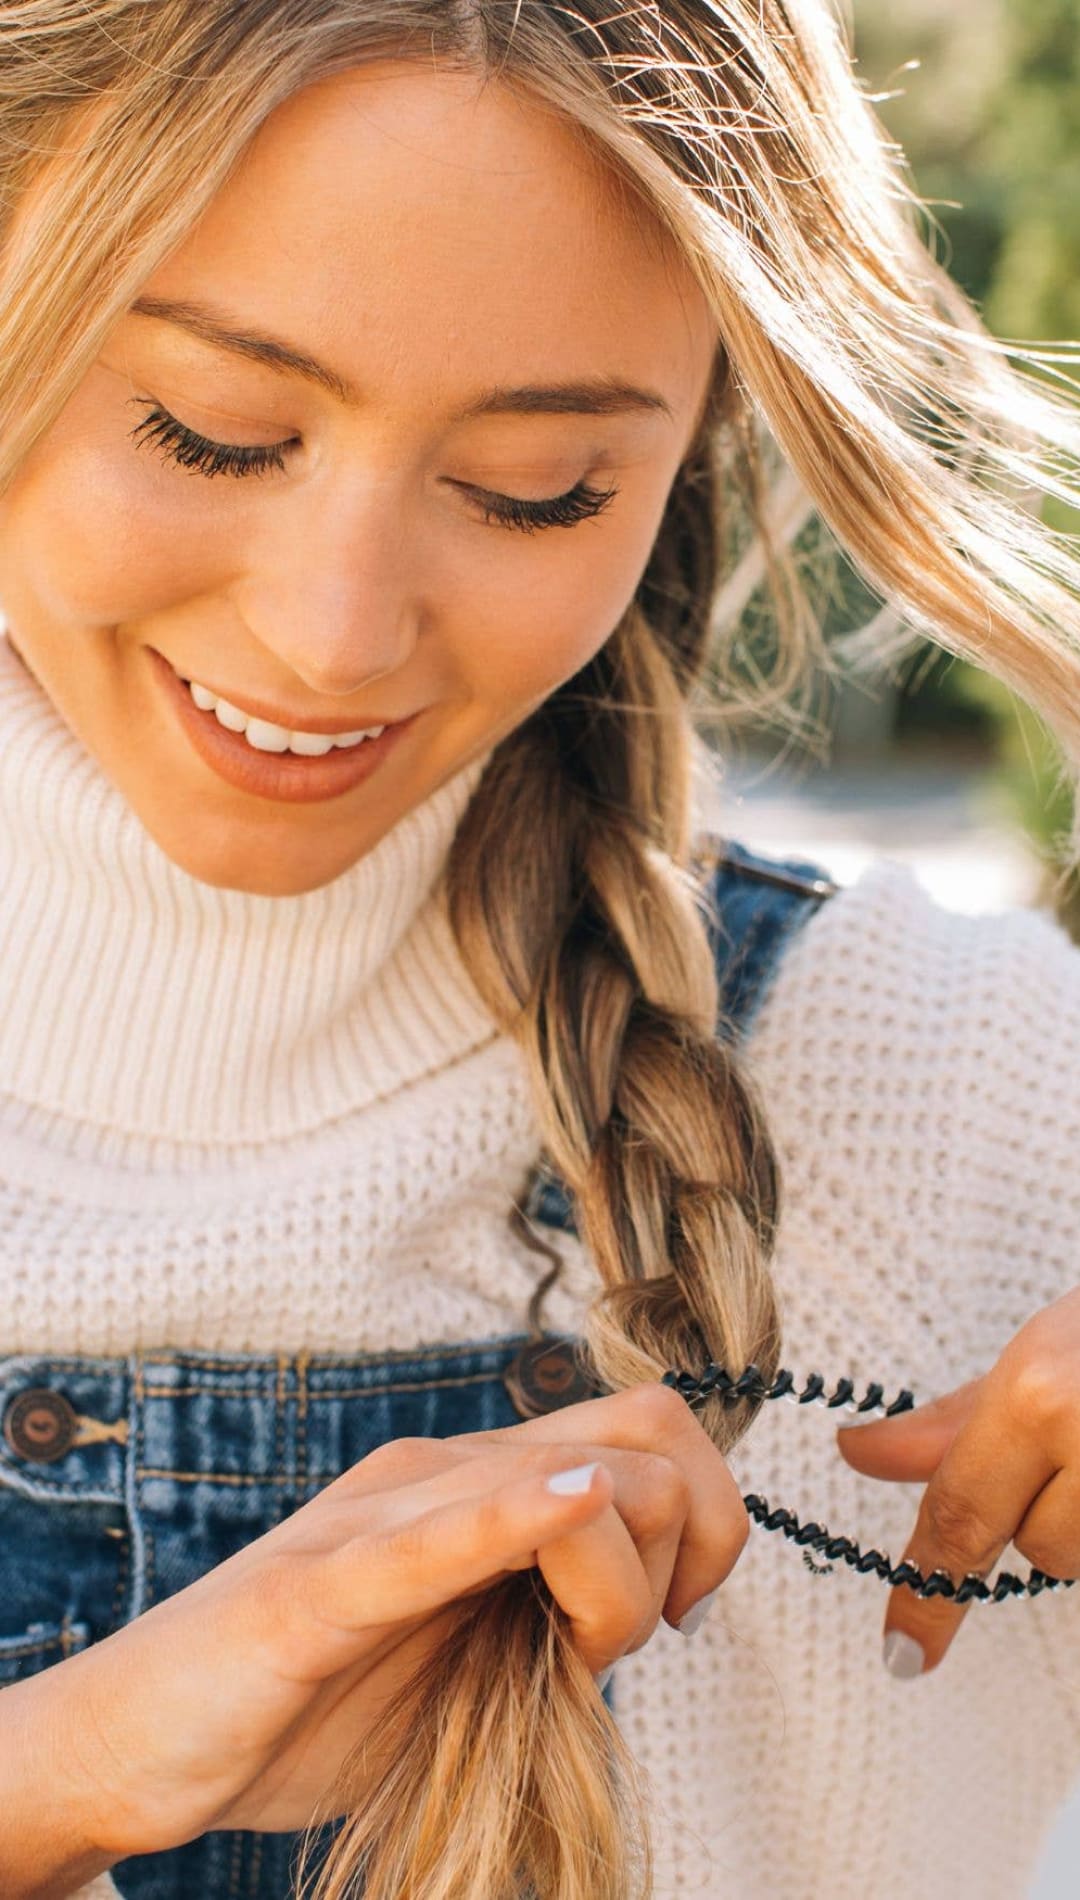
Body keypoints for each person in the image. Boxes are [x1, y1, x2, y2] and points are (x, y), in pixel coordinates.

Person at [1, 3, 1079, 1897]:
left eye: (532, 487)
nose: (334, 634)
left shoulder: (978, 1109)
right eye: (212, 428)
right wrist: (67, 1768)